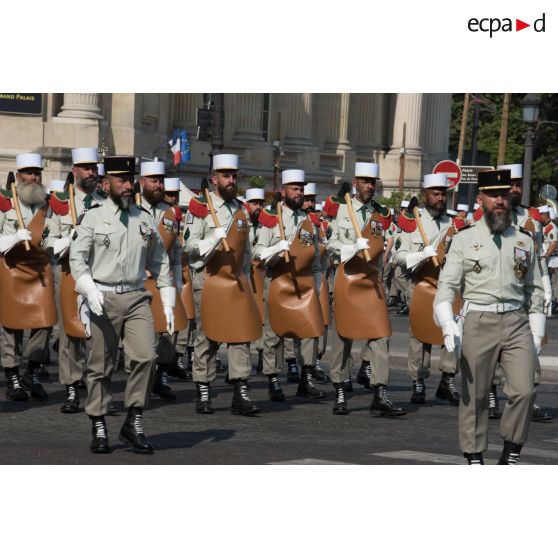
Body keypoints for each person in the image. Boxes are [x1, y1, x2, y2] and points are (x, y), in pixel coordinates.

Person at [434, 168, 545, 465]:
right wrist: (447, 323)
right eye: (494, 195)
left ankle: (510, 452)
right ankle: (474, 456)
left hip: (516, 322)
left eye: (504, 195)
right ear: (481, 198)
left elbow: (535, 289)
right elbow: (446, 288)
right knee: (475, 397)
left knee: (524, 390)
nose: (500, 201)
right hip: (478, 321)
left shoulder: (523, 239)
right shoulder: (464, 239)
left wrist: (536, 334)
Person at [70, 155, 175, 454]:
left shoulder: (144, 218)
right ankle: (99, 421)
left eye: (130, 180)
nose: (128, 186)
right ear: (106, 184)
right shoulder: (92, 217)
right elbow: (77, 258)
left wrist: (168, 296)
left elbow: (160, 260)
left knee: (145, 357)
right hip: (102, 296)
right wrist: (88, 289)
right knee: (100, 365)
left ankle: (134, 421)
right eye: (121, 180)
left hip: (136, 296)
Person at [183, 154, 262, 416]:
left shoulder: (240, 209)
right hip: (209, 278)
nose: (231, 180)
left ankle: (240, 390)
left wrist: (249, 279)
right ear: (214, 179)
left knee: (240, 337)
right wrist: (211, 242)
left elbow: (246, 249)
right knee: (208, 336)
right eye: (226, 176)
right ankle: (204, 389)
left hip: (235, 280)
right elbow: (189, 246)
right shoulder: (200, 207)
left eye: (234, 176)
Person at [325, 162, 405, 416]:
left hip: (371, 280)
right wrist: (351, 248)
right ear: (356, 182)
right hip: (347, 278)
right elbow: (329, 243)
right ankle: (339, 387)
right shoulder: (340, 210)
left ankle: (379, 392)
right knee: (343, 337)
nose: (370, 186)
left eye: (373, 182)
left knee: (381, 334)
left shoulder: (380, 214)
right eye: (365, 181)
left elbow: (388, 240)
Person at [487, 164, 554, 422]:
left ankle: (527, 398)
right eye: (510, 185)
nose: (515, 189)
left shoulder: (533, 218)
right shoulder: (487, 215)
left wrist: (546, 289)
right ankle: (491, 395)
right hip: (497, 291)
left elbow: (537, 259)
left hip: (526, 292)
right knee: (495, 346)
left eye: (518, 185)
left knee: (531, 345)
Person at [253, 169, 325, 401]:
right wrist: (275, 249)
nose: (299, 193)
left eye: (301, 189)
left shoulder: (308, 220)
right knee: (273, 334)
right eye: (294, 188)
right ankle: (273, 379)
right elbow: (257, 251)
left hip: (304, 282)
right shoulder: (271, 218)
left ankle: (306, 378)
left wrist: (317, 284)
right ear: (283, 191)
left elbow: (315, 259)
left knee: (309, 332)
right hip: (278, 280)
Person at [45, 147, 105, 413]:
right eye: (87, 168)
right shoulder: (61, 203)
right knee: (70, 334)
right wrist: (67, 241)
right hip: (70, 273)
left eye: (94, 168)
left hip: (100, 275)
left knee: (99, 334)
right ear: (75, 171)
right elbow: (46, 241)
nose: (92, 172)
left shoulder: (105, 203)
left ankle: (97, 388)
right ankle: (71, 387)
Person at [392, 173, 460, 405]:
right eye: (435, 194)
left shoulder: (451, 223)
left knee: (451, 332)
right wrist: (421, 254)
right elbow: (398, 255)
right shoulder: (413, 221)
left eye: (443, 194)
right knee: (420, 335)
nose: (440, 198)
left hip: (447, 284)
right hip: (420, 282)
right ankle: (418, 380)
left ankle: (447, 380)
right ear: (425, 196)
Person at [0, 153, 57, 401]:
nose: (34, 177)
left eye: (37, 173)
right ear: (19, 174)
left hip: (40, 268)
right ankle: (12, 375)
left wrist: (60, 243)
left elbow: (54, 234)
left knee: (44, 323)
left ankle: (32, 371)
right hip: (12, 267)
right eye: (29, 173)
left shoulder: (48, 203)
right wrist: (13, 238)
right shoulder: (5, 202)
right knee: (11, 326)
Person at [138, 161, 186, 402]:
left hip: (164, 279)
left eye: (161, 181)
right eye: (153, 180)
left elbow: (175, 247)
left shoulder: (170, 212)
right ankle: (141, 381)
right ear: (142, 183)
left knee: (170, 330)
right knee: (143, 334)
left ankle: (162, 376)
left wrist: (177, 275)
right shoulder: (131, 208)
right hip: (138, 280)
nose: (158, 185)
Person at [244, 187, 266, 374]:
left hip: (260, 274)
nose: (258, 207)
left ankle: (260, 353)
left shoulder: (267, 224)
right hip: (243, 275)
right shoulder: (241, 221)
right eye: (254, 203)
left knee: (261, 316)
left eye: (260, 203)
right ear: (247, 204)